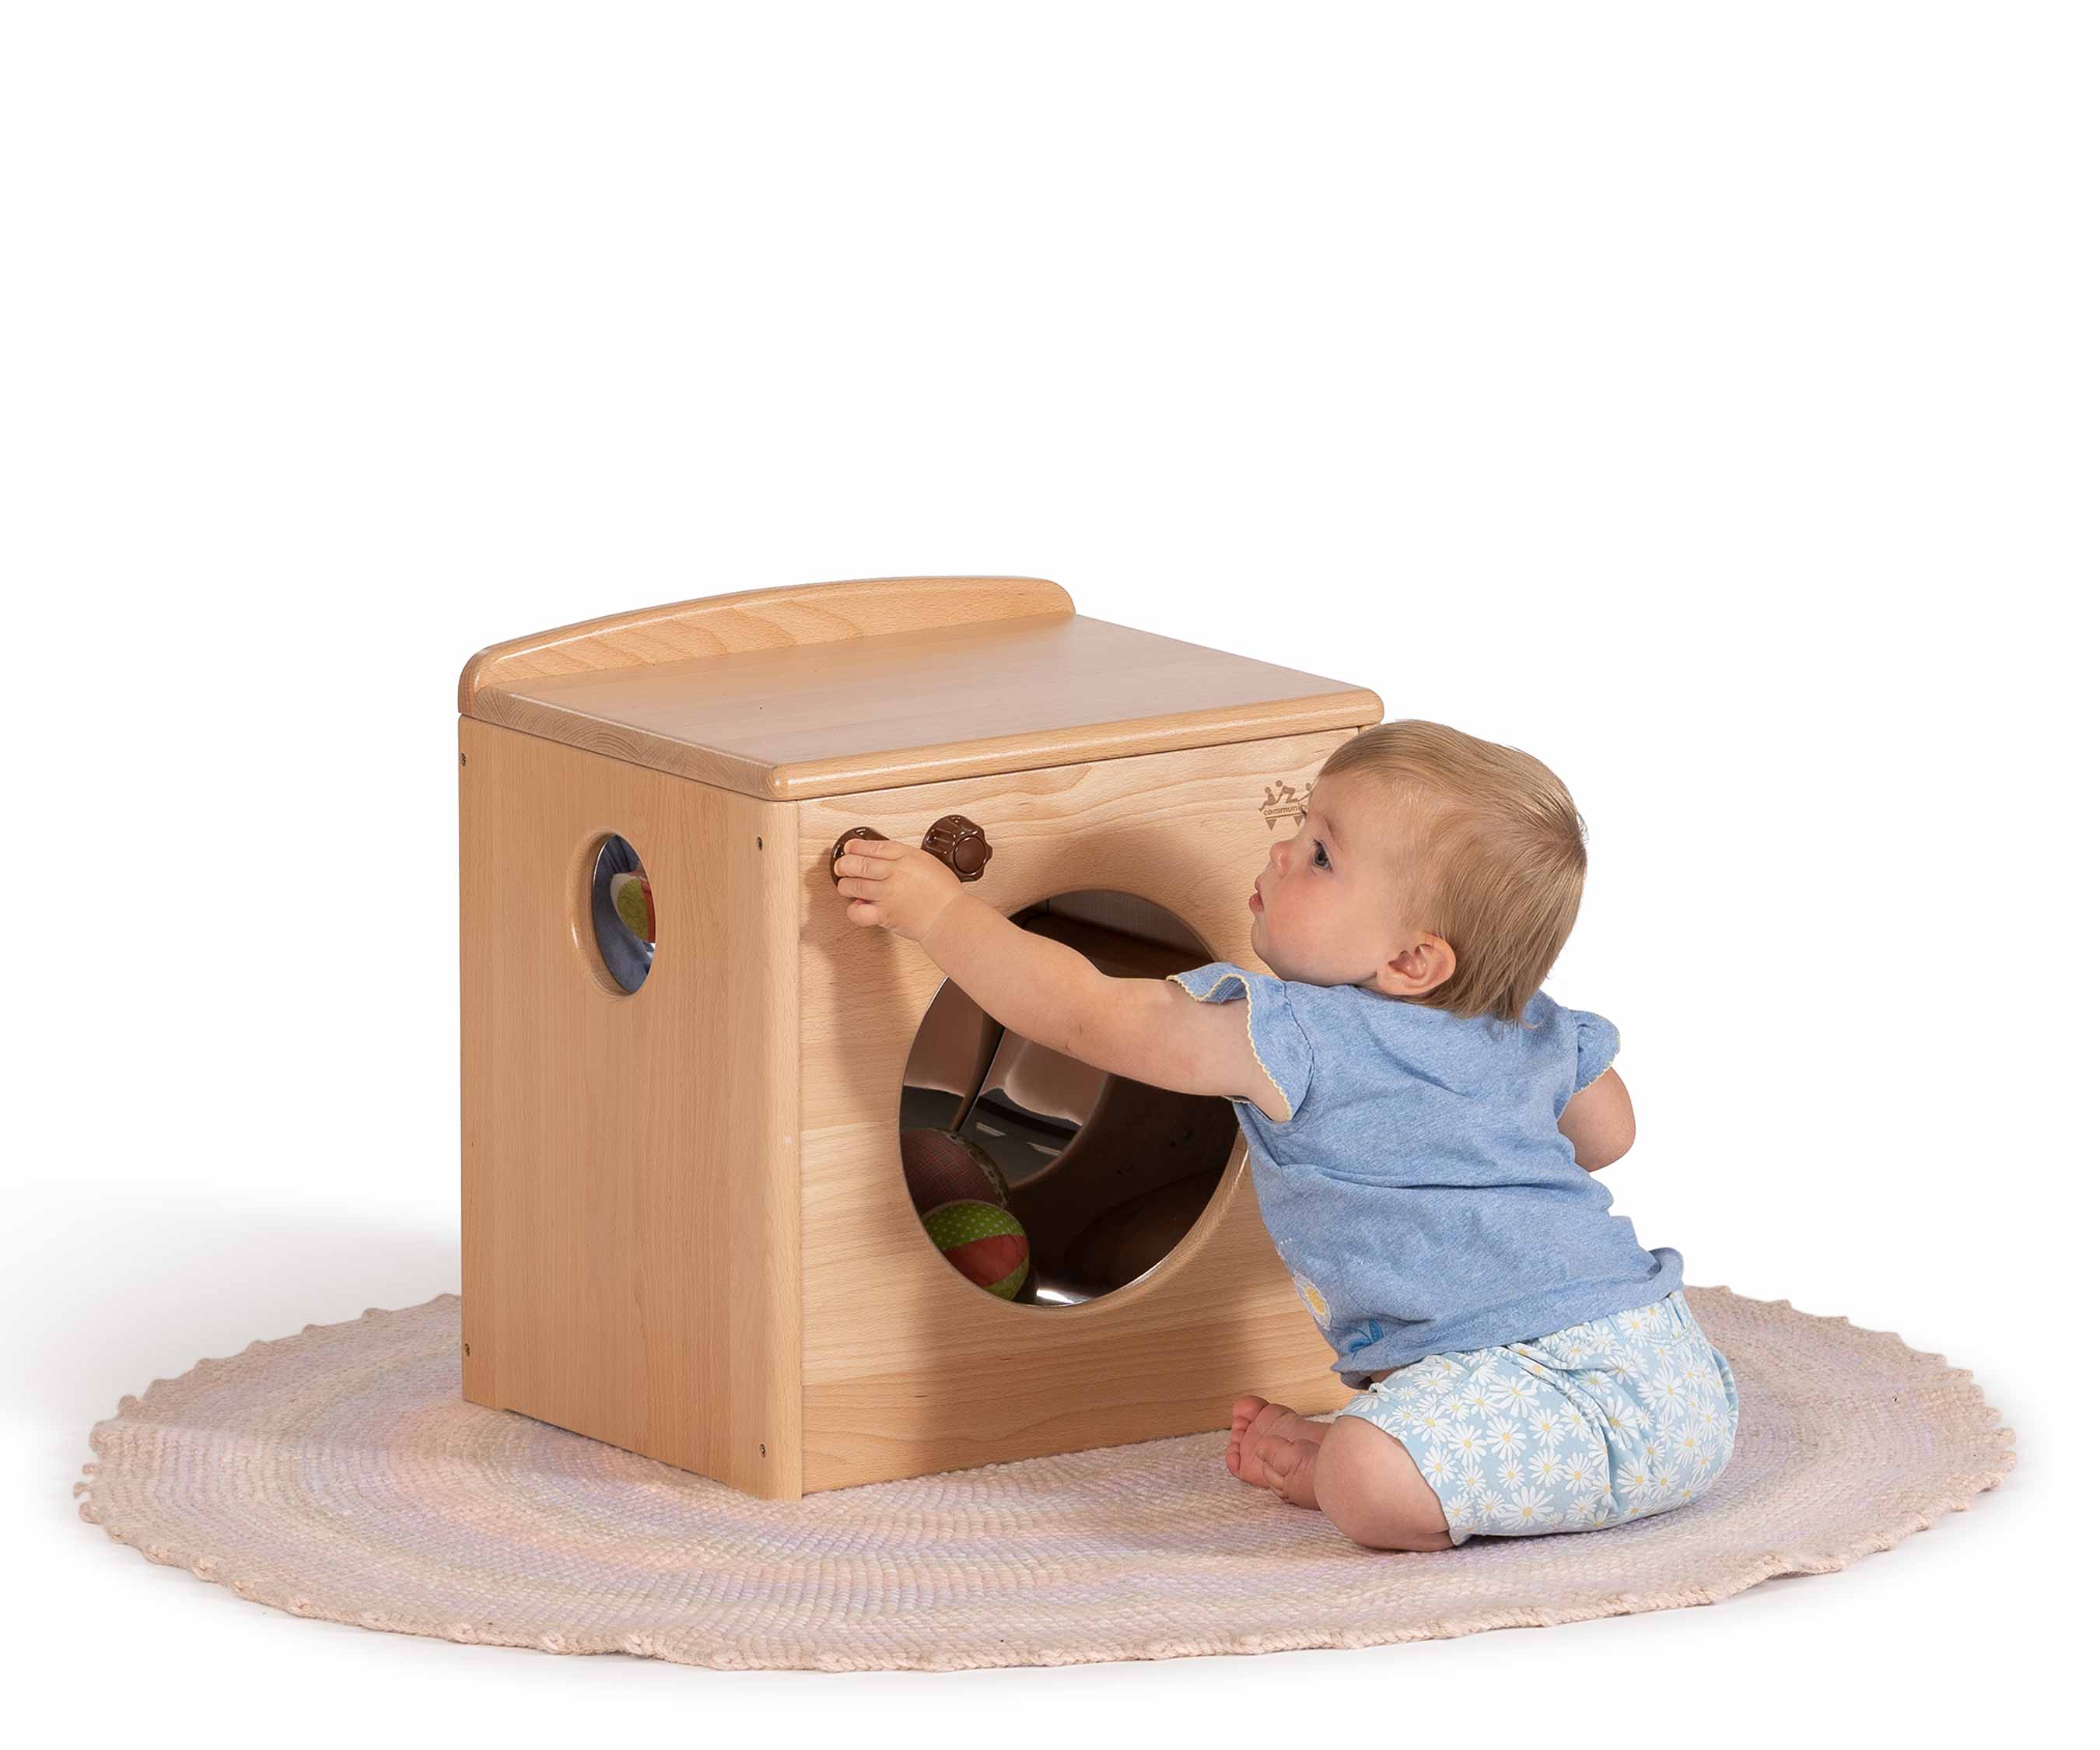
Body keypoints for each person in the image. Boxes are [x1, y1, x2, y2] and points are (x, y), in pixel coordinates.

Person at [832, 719, 1738, 1552]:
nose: (1280, 848)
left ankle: (1352, 1466)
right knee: (1401, 1436)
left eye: (1318, 855)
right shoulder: (1526, 1020)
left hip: (1527, 1380)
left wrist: (942, 915)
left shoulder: (1301, 1035)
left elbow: (1090, 1018)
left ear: (1412, 959)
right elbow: (1609, 1132)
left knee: (1364, 1479)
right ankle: (1416, 1448)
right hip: (1670, 1367)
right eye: (1303, 824)